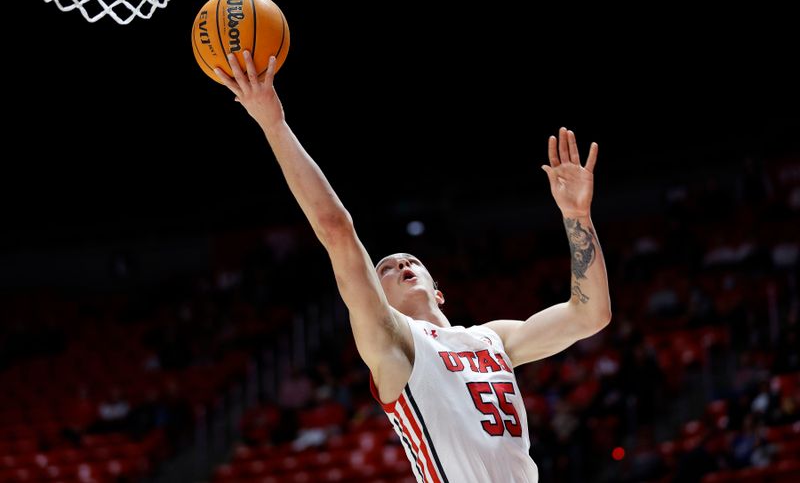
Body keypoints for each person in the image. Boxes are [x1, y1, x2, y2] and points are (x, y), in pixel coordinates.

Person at [215, 52, 612, 482]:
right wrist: (274, 124)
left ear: (438, 291)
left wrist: (577, 216)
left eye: (412, 261)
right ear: (375, 297)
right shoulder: (393, 344)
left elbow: (590, 314)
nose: (402, 263)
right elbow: (336, 229)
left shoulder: (492, 339)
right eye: (386, 268)